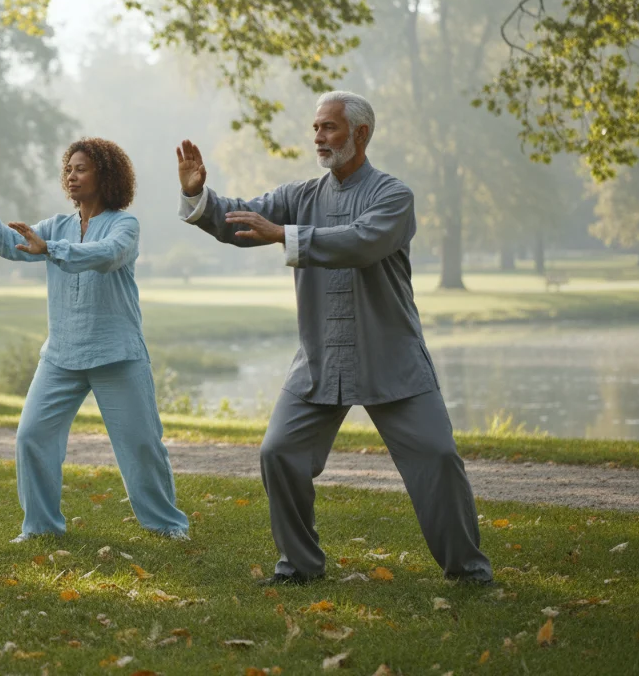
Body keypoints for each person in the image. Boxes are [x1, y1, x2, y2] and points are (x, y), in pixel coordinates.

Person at [175, 91, 492, 585]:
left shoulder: (393, 195)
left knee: (438, 456)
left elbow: (363, 242)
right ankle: (299, 567)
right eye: (317, 128)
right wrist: (201, 198)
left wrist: (285, 235)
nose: (319, 137)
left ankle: (468, 571)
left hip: (392, 359)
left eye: (329, 128)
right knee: (278, 451)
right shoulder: (300, 197)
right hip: (320, 359)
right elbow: (243, 218)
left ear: (360, 134)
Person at [0, 137, 189, 542]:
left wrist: (50, 249)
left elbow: (106, 255)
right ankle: (41, 528)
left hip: (116, 354)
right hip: (61, 356)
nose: (71, 176)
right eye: (68, 169)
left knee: (141, 445)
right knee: (32, 436)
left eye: (81, 168)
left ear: (104, 175)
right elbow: (16, 244)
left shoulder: (125, 225)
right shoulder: (58, 226)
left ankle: (166, 525)